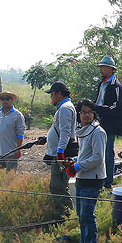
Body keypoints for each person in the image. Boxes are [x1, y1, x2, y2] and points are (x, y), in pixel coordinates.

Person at [66, 99, 107, 243]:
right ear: (79, 114)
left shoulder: (98, 132)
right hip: (82, 178)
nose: (86, 115)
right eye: (83, 112)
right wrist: (74, 161)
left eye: (89, 112)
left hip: (93, 179)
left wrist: (78, 166)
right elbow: (84, 155)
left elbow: (97, 157)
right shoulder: (82, 131)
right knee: (80, 214)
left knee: (87, 215)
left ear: (94, 114)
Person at [44, 81, 77, 221]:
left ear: (59, 93)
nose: (51, 97)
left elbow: (65, 132)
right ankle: (65, 216)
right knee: (59, 187)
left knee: (58, 187)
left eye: (52, 94)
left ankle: (64, 218)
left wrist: (60, 154)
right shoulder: (63, 107)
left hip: (62, 154)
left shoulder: (64, 108)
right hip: (59, 152)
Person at [94, 56, 122, 190]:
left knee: (108, 151)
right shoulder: (102, 83)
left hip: (110, 123)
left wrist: (101, 110)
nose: (101, 70)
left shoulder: (116, 86)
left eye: (103, 67)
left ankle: (107, 181)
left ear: (110, 69)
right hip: (100, 121)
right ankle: (100, 177)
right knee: (99, 151)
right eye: (101, 67)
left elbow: (119, 106)